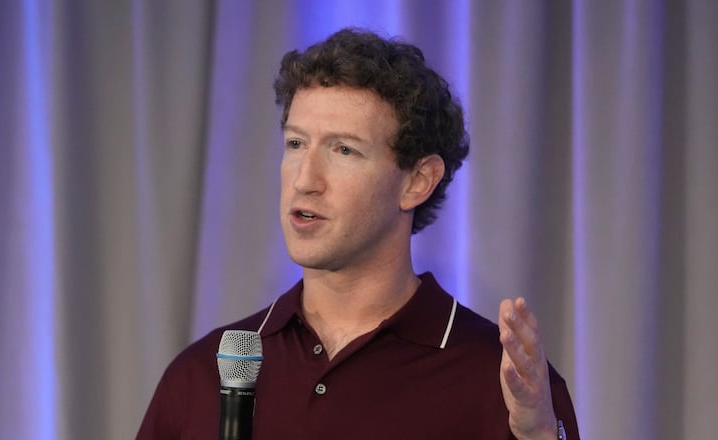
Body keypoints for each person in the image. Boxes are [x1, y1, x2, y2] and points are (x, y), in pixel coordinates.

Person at [138, 28, 579, 439]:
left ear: (417, 181)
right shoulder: (202, 374)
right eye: (296, 144)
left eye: (344, 149)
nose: (305, 179)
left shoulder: (501, 384)